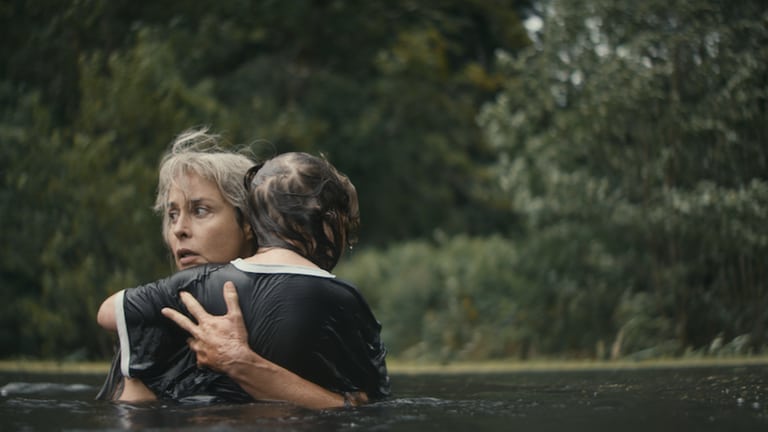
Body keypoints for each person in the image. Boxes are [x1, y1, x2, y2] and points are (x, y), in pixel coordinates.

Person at [97, 129, 376, 408]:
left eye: (200, 210)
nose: (179, 229)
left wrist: (242, 363)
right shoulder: (151, 326)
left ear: (250, 223)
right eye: (172, 215)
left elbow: (359, 406)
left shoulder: (313, 312)